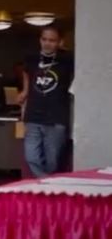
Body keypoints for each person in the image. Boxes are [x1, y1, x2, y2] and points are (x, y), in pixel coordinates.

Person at [18, 26, 74, 177]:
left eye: (52, 40)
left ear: (59, 42)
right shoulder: (31, 58)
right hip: (33, 116)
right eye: (44, 39)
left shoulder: (68, 59)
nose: (47, 43)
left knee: (53, 161)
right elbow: (26, 72)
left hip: (56, 117)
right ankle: (46, 184)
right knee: (31, 157)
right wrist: (25, 90)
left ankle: (48, 186)